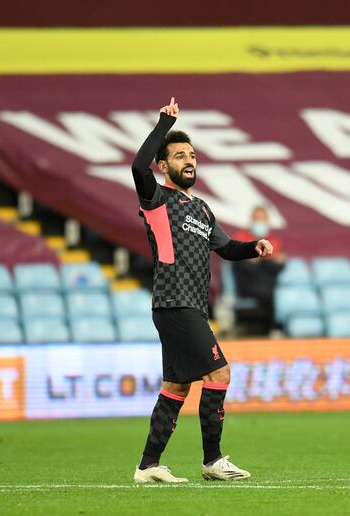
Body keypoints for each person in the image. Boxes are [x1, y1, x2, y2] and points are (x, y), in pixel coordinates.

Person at [131, 97, 273, 483]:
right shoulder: (157, 199)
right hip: (175, 303)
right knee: (220, 373)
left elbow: (226, 248)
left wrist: (252, 247)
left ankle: (148, 467)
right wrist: (164, 125)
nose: (188, 160)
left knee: (176, 386)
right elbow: (137, 165)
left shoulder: (203, 209)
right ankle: (213, 460)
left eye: (192, 154)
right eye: (179, 156)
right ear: (164, 166)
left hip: (188, 306)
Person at [231, 206, 285, 336]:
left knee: (268, 287)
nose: (259, 222)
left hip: (267, 283)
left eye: (262, 219)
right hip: (246, 283)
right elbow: (239, 261)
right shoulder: (241, 237)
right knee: (265, 289)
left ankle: (270, 329)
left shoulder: (275, 240)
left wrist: (259, 259)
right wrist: (267, 258)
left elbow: (278, 264)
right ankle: (272, 328)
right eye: (257, 219)